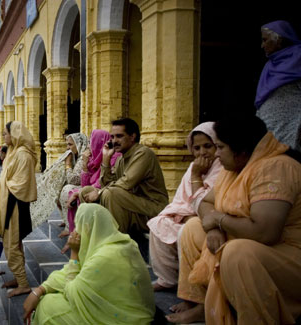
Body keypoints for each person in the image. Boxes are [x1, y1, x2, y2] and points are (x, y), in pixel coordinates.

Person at [167, 114, 301, 324]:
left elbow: (265, 232)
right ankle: (204, 304)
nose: (216, 155)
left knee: (237, 252)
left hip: (287, 253)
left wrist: (219, 220)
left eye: (219, 147)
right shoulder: (235, 170)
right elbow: (204, 202)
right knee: (193, 227)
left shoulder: (275, 168)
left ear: (240, 148)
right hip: (243, 239)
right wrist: (213, 229)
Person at [22, 203, 155, 324]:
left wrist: (74, 254)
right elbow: (69, 272)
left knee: (48, 305)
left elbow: (73, 292)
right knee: (49, 296)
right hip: (115, 306)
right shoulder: (119, 243)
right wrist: (39, 291)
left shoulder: (105, 256)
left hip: (122, 318)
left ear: (86, 227)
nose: (74, 232)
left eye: (77, 225)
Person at [147, 122, 222, 292]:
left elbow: (209, 201)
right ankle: (167, 279)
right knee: (157, 223)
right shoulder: (192, 167)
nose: (202, 152)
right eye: (197, 148)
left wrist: (197, 175)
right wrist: (180, 214)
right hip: (186, 214)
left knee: (186, 231)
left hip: (209, 219)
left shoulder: (223, 167)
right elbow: (181, 199)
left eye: (208, 146)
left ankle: (194, 288)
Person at [82, 118, 169, 234]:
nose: (114, 141)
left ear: (132, 137)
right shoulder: (121, 159)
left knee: (110, 193)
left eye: (119, 136)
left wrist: (99, 193)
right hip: (132, 207)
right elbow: (107, 184)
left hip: (151, 210)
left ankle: (116, 243)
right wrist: (106, 160)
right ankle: (92, 239)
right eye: (112, 137)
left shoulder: (143, 153)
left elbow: (125, 183)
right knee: (86, 191)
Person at [0, 121, 37, 297]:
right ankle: (18, 278)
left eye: (5, 133)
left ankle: (23, 284)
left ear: (14, 134)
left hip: (15, 204)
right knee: (13, 244)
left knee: (12, 245)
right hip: (10, 201)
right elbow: (8, 179)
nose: (3, 136)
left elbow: (20, 185)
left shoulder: (23, 154)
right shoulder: (13, 151)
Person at [255, 20, 301, 153]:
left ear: (279, 40)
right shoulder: (270, 65)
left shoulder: (298, 59)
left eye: (265, 40)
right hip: (269, 127)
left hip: (292, 129)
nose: (262, 45)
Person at [64, 130, 119, 236]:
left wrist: (68, 165)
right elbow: (86, 184)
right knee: (73, 192)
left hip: (108, 193)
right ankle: (74, 234)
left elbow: (100, 183)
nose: (88, 146)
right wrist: (85, 164)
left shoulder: (113, 157)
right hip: (97, 189)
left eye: (91, 142)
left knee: (78, 193)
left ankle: (81, 235)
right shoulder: (94, 159)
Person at [30, 133, 88, 231]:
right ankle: (66, 220)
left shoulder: (83, 157)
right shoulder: (76, 155)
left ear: (79, 144)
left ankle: (70, 226)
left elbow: (73, 179)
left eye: (70, 145)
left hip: (85, 185)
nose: (67, 148)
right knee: (56, 189)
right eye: (67, 145)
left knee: (65, 190)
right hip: (78, 184)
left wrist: (68, 164)